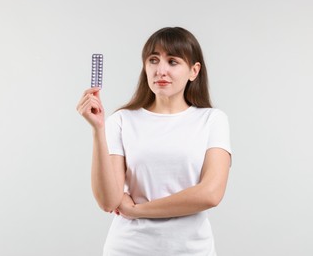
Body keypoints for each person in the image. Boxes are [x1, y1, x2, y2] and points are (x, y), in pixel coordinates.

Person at [76, 27, 232, 256]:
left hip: (191, 250)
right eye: (153, 60)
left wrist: (138, 210)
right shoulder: (121, 120)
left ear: (194, 71)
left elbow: (210, 194)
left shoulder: (212, 120)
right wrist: (98, 129)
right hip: (128, 248)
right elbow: (109, 201)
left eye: (173, 61)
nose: (161, 70)